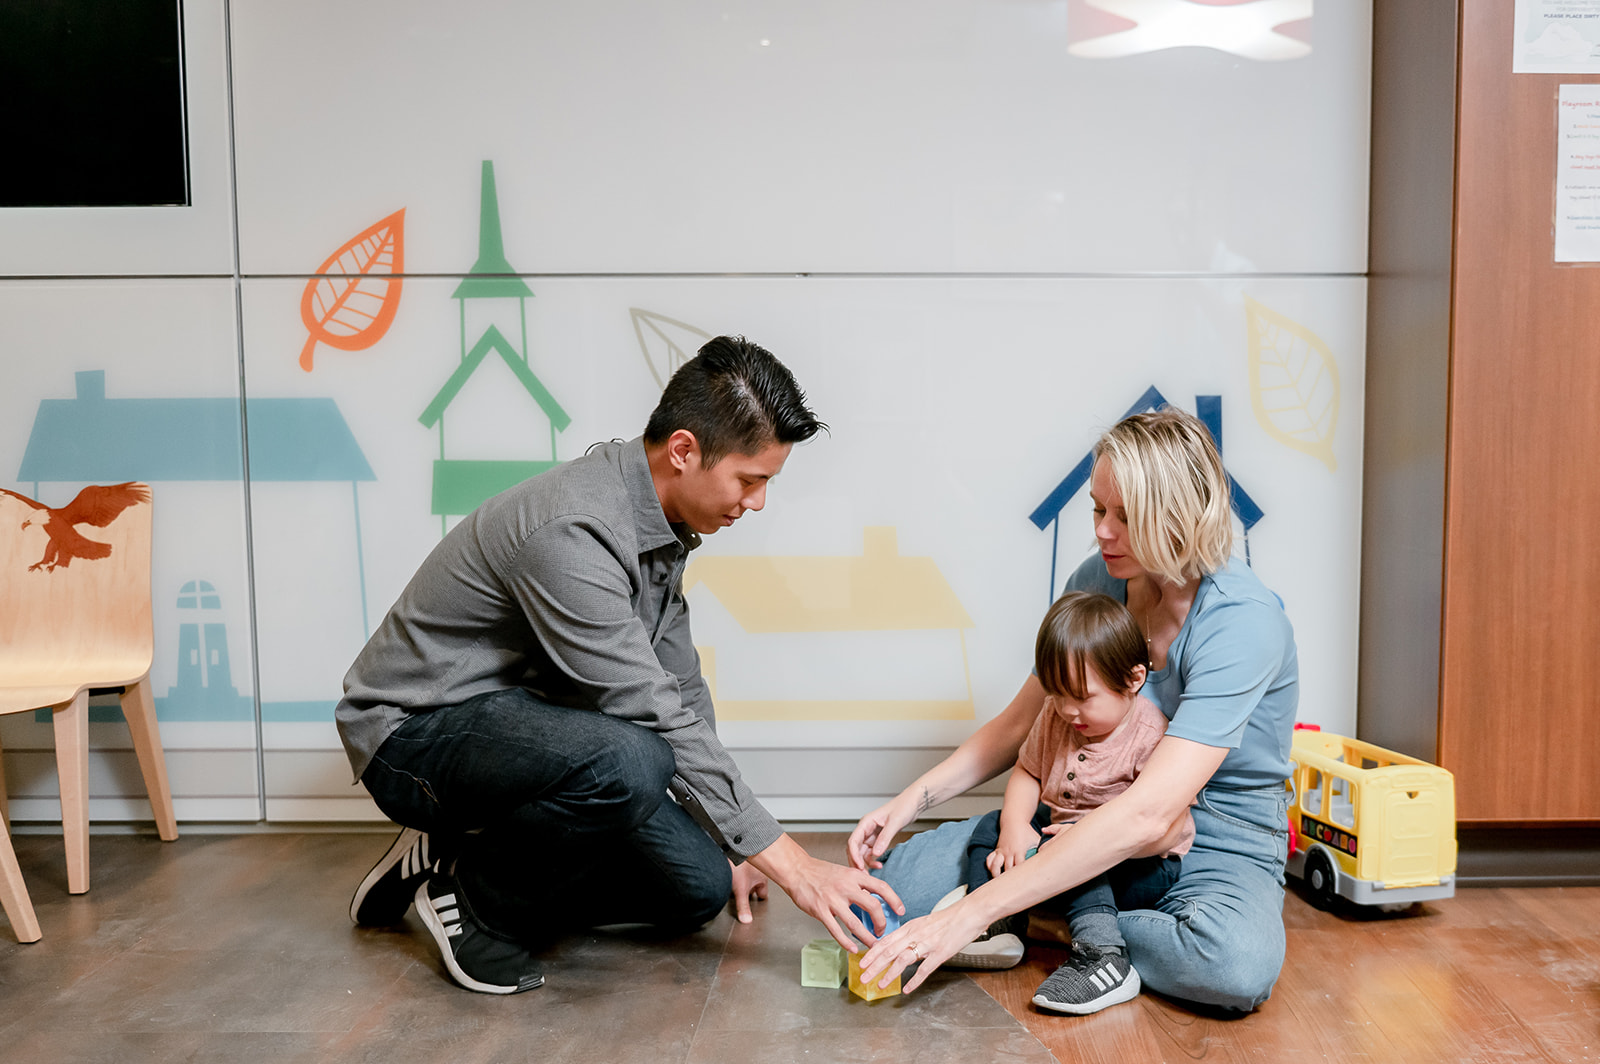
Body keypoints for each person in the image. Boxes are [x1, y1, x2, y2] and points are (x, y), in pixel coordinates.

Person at [336, 336, 902, 995]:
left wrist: (733, 840)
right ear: (685, 451)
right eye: (751, 480)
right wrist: (791, 863)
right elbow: (648, 708)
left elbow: (679, 685)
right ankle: (476, 903)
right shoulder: (573, 530)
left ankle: (461, 853)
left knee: (698, 887)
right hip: (412, 734)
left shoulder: (659, 526)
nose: (758, 503)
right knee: (634, 759)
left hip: (517, 733)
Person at [848, 406, 1298, 1013]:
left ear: (1181, 516)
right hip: (1078, 809)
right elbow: (1018, 725)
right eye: (1097, 509)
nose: (1102, 532)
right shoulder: (1099, 578)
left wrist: (979, 908)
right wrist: (912, 800)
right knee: (880, 902)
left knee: (1231, 968)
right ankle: (1078, 913)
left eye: (1125, 516)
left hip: (1211, 831)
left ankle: (1057, 919)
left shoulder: (1243, 620)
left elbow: (1151, 813)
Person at [950, 590, 1194, 1015]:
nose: (1067, 710)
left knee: (1082, 860)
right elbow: (1027, 771)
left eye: (1082, 697)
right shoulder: (1055, 714)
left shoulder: (1151, 735)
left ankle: (1103, 956)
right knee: (990, 824)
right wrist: (1013, 828)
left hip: (1141, 863)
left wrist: (1085, 842)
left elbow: (1163, 823)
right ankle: (996, 924)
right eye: (1057, 694)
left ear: (1134, 679)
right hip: (1058, 834)